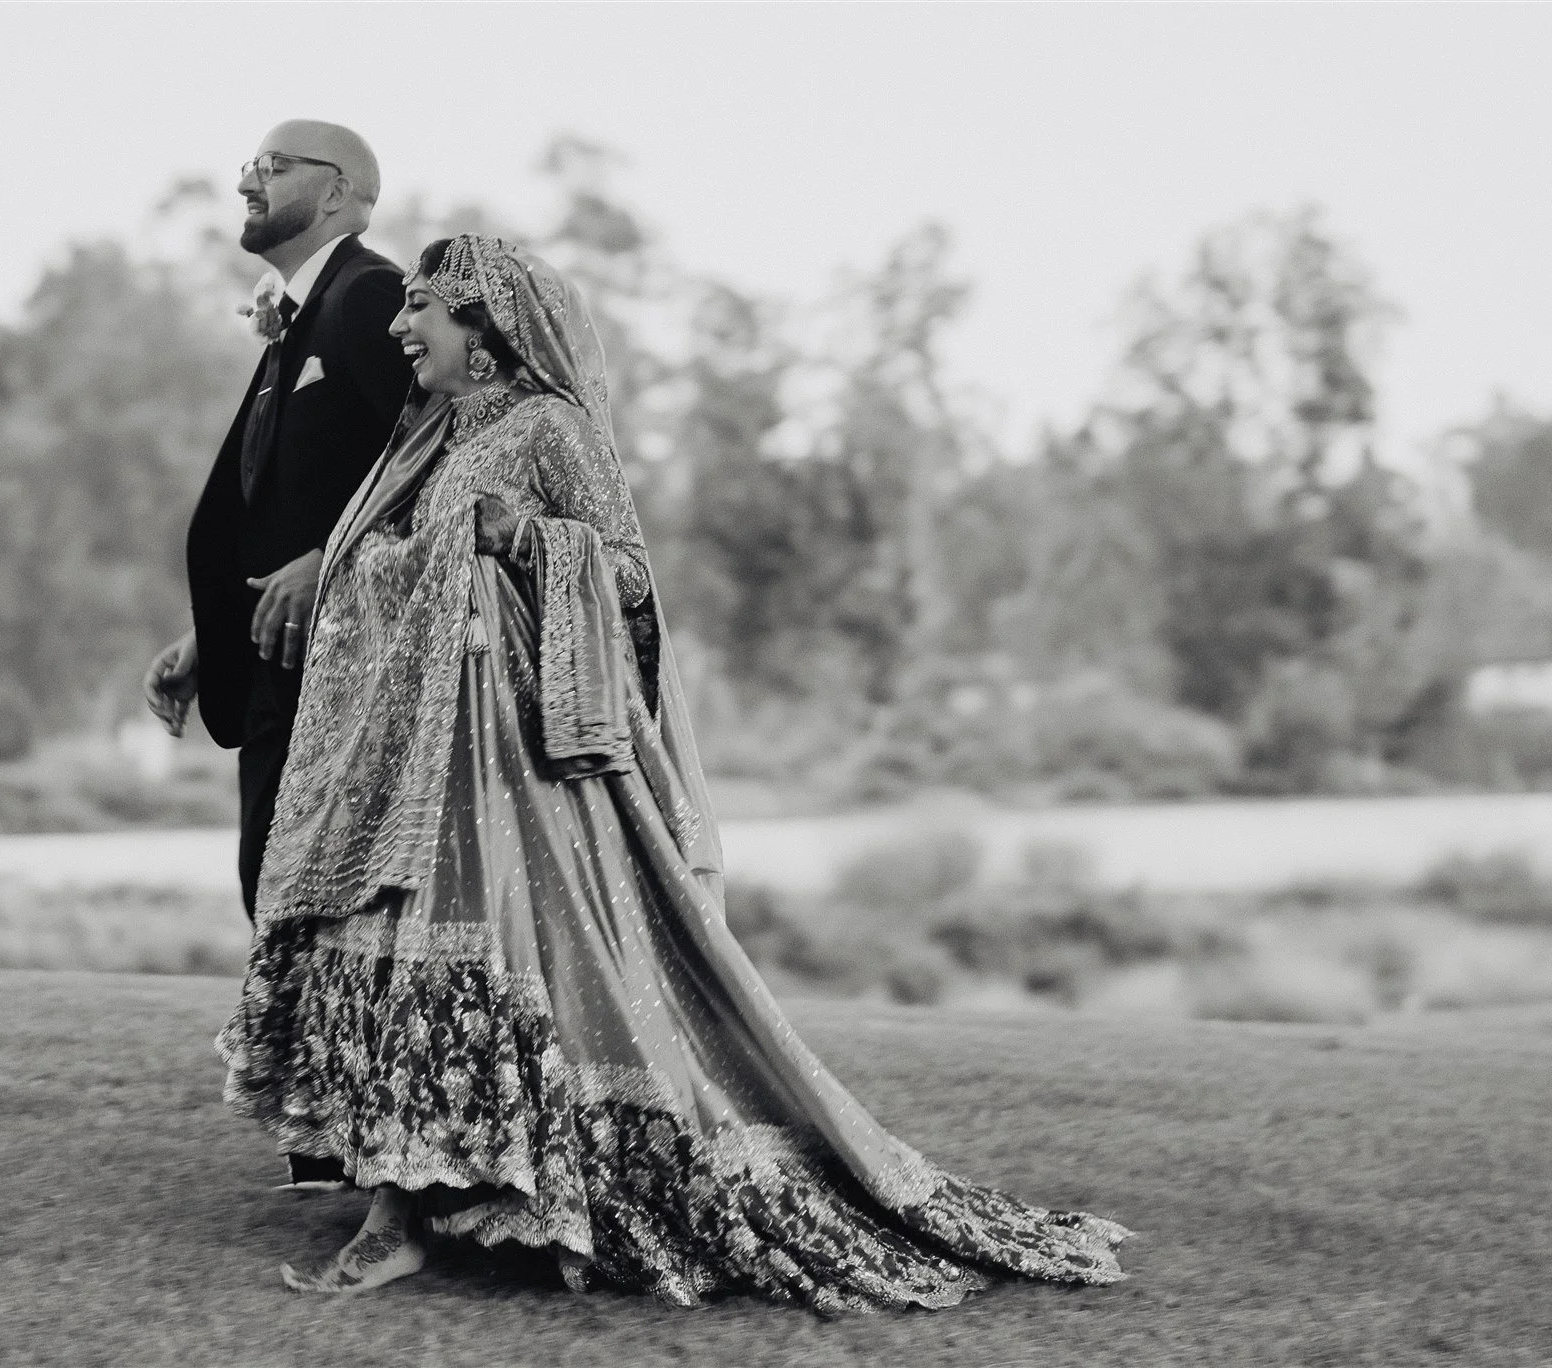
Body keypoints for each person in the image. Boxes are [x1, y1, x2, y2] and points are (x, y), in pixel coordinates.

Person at [217, 235, 1132, 1309]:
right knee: (394, 963)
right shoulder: (428, 437)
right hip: (416, 775)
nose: (396, 326)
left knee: (493, 972)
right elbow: (392, 570)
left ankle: (431, 1212)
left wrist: (524, 541)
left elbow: (627, 577)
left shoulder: (546, 426)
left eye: (420, 308)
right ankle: (402, 1209)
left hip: (514, 778)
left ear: (486, 329)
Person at [143, 120, 411, 1190]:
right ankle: (334, 1139)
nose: (246, 175)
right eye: (248, 163)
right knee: (277, 882)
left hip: (347, 670)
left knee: (312, 890)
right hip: (273, 662)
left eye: (277, 162)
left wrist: (327, 561)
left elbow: (447, 457)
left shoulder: (365, 299)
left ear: (341, 192)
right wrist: (211, 638)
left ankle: (369, 1141)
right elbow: (283, 500)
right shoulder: (299, 320)